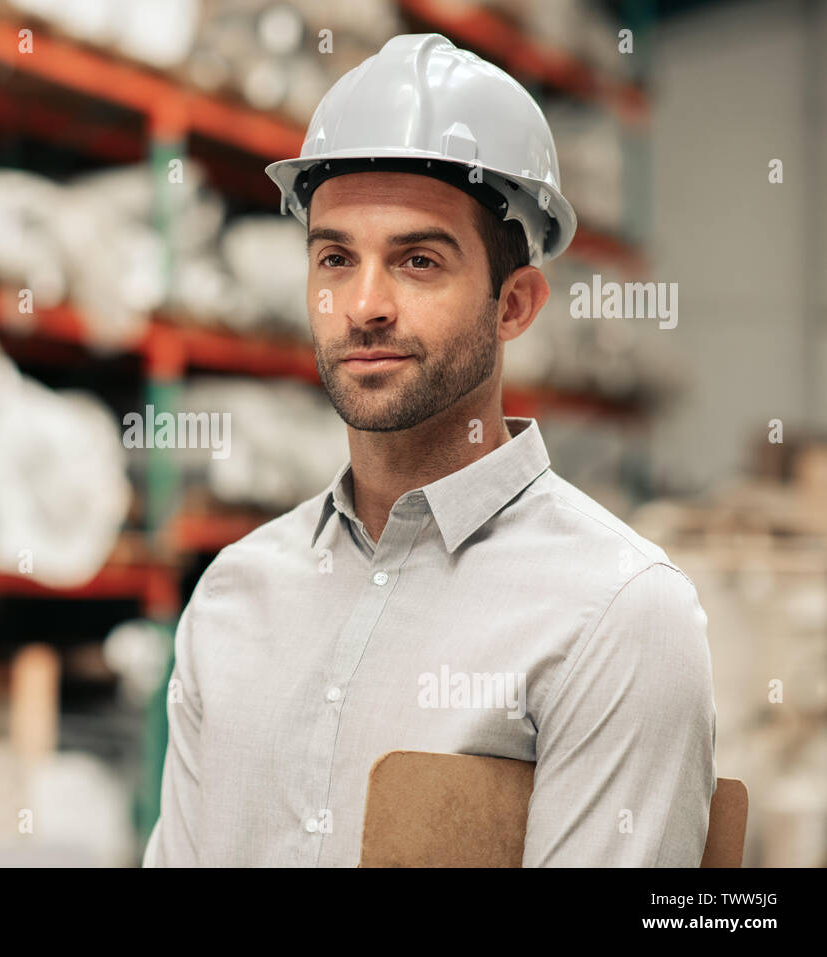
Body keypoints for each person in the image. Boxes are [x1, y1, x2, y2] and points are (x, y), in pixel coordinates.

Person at [142, 33, 716, 867]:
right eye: (335, 257)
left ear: (514, 305)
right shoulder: (235, 594)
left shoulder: (618, 615)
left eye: (418, 260)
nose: (364, 304)